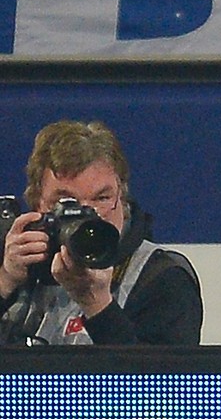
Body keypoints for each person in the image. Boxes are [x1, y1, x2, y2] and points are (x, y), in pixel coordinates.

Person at [0, 120, 201, 345]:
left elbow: (158, 379)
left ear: (121, 200)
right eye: (67, 202)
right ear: (38, 204)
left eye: (102, 198)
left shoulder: (162, 278)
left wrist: (96, 304)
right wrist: (5, 281)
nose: (87, 215)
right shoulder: (15, 263)